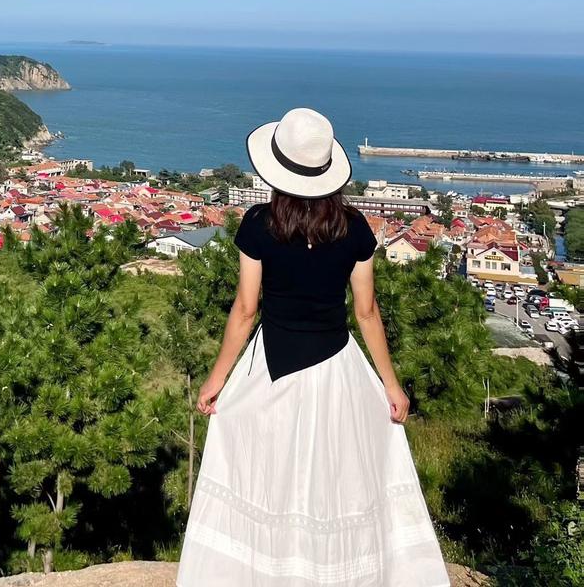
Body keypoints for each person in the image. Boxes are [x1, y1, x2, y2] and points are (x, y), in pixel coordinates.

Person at [177, 107, 448, 587]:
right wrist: (391, 385)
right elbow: (366, 312)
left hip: (270, 366)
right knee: (334, 481)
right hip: (337, 369)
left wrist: (215, 381)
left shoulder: (258, 224)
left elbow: (245, 310)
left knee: (266, 475)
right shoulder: (354, 228)